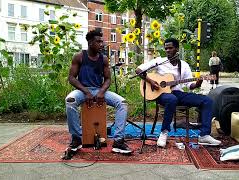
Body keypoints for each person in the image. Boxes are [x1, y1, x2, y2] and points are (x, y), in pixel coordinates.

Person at [135, 38, 221, 148]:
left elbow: (190, 86)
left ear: (177, 49)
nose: (167, 50)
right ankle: (164, 132)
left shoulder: (184, 65)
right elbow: (138, 70)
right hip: (161, 94)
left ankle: (204, 135)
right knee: (171, 99)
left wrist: (198, 83)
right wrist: (151, 82)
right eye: (166, 48)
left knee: (207, 100)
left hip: (178, 93)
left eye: (170, 48)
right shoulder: (159, 61)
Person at [64, 29, 132, 159]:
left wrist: (101, 92)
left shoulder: (104, 59)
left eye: (102, 41)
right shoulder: (79, 56)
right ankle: (77, 139)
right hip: (82, 90)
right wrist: (86, 91)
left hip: (99, 90)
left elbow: (108, 79)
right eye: (98, 41)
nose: (102, 44)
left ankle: (118, 141)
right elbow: (72, 78)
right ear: (90, 43)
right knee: (70, 101)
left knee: (122, 103)